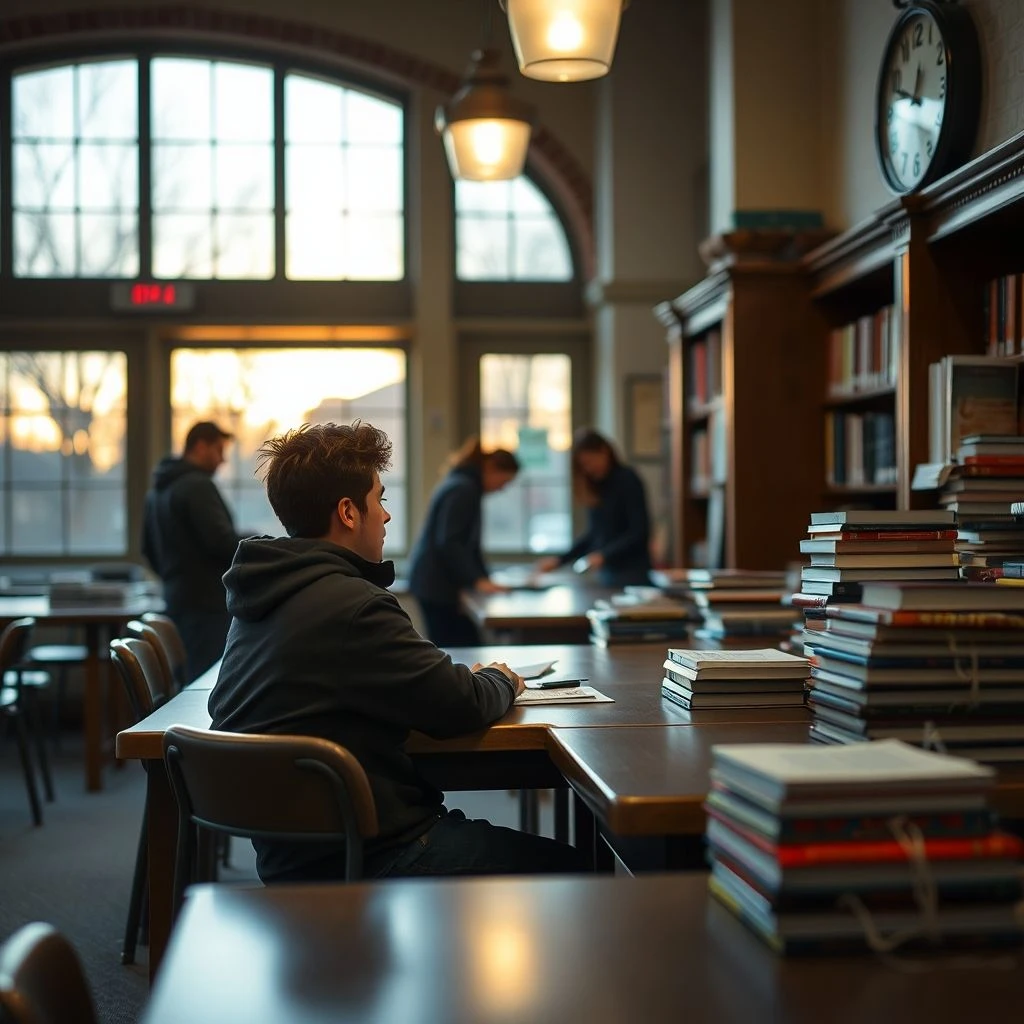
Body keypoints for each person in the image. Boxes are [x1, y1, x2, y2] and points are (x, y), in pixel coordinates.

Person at [208, 421, 585, 883]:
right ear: (349, 512)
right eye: (379, 499)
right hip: (374, 853)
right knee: (585, 871)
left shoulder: (260, 596)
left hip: (291, 856)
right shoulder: (354, 605)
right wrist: (501, 678)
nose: (386, 516)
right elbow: (462, 703)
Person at [141, 421, 242, 681]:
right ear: (200, 446)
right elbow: (221, 542)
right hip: (207, 606)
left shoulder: (158, 490)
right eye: (218, 450)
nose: (222, 460)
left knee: (187, 681)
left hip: (176, 600)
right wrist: (256, 542)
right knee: (208, 682)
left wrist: (174, 578)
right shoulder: (197, 486)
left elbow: (147, 549)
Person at [407, 438, 520, 646]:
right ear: (491, 469)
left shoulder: (463, 484)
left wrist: (483, 578)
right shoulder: (463, 489)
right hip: (437, 585)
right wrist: (477, 580)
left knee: (461, 647)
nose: (502, 488)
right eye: (503, 481)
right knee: (461, 649)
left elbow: (468, 546)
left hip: (435, 582)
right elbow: (450, 542)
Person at [537, 427, 652, 587]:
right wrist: (560, 560)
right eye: (584, 465)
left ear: (604, 452)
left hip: (632, 571)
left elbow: (639, 531)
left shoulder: (627, 480)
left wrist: (604, 555)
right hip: (608, 572)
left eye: (590, 462)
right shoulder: (596, 486)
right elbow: (594, 533)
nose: (588, 469)